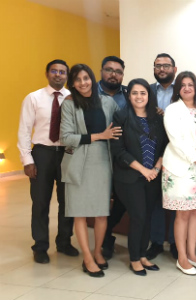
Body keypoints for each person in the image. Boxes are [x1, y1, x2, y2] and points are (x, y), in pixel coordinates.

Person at [60, 64, 121, 277]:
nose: (83, 83)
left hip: (103, 161)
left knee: (101, 212)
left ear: (91, 79)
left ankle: (97, 252)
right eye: (77, 80)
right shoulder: (69, 104)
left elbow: (121, 123)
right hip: (78, 162)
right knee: (79, 213)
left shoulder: (107, 102)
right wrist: (98, 136)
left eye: (86, 78)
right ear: (73, 84)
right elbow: (65, 138)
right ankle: (87, 258)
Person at [17, 59, 79, 264]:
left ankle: (64, 242)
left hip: (67, 153)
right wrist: (27, 160)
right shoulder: (33, 98)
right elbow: (24, 131)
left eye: (63, 72)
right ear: (47, 74)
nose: (59, 75)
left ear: (67, 76)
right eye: (55, 71)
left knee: (67, 202)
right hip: (42, 154)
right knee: (40, 202)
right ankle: (40, 246)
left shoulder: (73, 98)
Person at [111, 78, 168, 276]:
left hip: (153, 176)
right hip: (129, 177)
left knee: (148, 217)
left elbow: (165, 145)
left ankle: (143, 255)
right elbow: (118, 151)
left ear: (148, 95)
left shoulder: (157, 118)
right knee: (138, 216)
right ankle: (134, 258)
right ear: (129, 95)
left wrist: (156, 168)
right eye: (134, 93)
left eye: (143, 93)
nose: (138, 96)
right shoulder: (120, 117)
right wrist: (143, 170)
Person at [161, 71, 196, 275]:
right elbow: (177, 140)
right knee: (182, 213)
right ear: (178, 89)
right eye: (183, 85)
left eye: (191, 84)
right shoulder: (172, 110)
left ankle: (192, 253)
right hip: (181, 168)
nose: (187, 88)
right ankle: (182, 258)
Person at [146, 53, 179, 261]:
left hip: (178, 151)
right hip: (152, 149)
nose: (162, 69)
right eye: (158, 66)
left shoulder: (184, 89)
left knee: (177, 197)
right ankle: (156, 241)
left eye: (166, 65)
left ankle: (176, 242)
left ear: (174, 69)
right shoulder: (147, 90)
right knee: (155, 198)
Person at [99, 55, 131, 259]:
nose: (113, 74)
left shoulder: (129, 94)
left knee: (121, 199)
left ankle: (106, 235)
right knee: (101, 199)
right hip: (97, 153)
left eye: (118, 71)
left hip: (121, 155)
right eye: (109, 70)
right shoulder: (89, 92)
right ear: (101, 71)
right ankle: (102, 242)